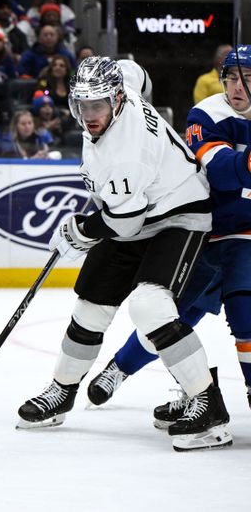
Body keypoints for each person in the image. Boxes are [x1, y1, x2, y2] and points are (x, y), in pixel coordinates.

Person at [16, 56, 230, 452]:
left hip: (179, 215)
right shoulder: (123, 84)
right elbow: (138, 72)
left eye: (97, 105)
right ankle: (62, 391)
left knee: (151, 308)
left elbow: (124, 224)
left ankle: (208, 406)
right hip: (135, 208)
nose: (89, 114)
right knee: (89, 309)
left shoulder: (126, 153)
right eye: (82, 104)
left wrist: (80, 231)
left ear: (116, 100)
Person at [86, 46, 251, 425]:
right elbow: (221, 171)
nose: (236, 87)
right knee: (170, 314)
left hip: (246, 237)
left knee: (245, 312)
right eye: (231, 77)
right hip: (205, 231)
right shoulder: (208, 112)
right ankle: (124, 369)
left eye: (248, 80)